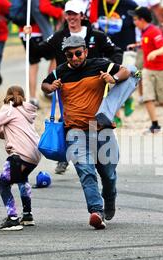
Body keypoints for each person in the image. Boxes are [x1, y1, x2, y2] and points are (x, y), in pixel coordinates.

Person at [41, 36, 131, 229]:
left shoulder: (100, 65)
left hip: (101, 130)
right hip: (74, 131)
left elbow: (126, 71)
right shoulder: (60, 72)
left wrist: (112, 78)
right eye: (69, 55)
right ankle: (96, 211)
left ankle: (109, 199)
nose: (74, 58)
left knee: (108, 174)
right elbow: (44, 85)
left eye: (78, 53)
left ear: (86, 51)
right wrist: (51, 87)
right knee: (86, 171)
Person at [39, 0, 123, 175]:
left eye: (74, 14)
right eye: (68, 13)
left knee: (97, 118)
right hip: (67, 86)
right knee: (70, 120)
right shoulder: (58, 36)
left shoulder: (97, 35)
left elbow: (115, 51)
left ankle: (103, 157)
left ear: (82, 15)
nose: (71, 17)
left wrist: (111, 70)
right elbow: (38, 51)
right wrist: (28, 36)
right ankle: (65, 158)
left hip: (95, 85)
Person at [0, 86, 41, 231]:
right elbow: (5, 133)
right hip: (34, 155)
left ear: (8, 95)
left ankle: (13, 218)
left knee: (3, 185)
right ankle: (27, 215)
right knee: (22, 180)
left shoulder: (9, 108)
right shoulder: (26, 112)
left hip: (19, 155)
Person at [128, 6, 163, 133]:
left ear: (142, 20)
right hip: (148, 69)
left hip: (162, 69)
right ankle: (155, 125)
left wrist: (155, 53)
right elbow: (146, 42)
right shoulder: (144, 32)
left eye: (135, 19)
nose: (134, 22)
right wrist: (136, 45)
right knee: (147, 97)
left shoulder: (154, 31)